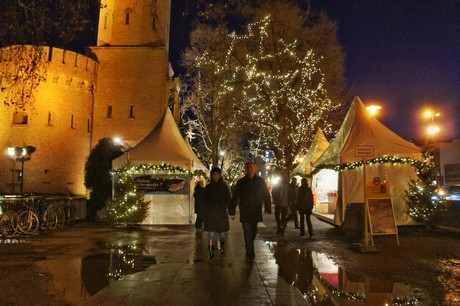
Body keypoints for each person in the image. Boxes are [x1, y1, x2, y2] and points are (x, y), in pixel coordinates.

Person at [229, 161, 271, 262]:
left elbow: (266, 194)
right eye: (248, 167)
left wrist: (267, 207)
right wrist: (232, 210)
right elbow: (235, 197)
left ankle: (249, 246)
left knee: (253, 232)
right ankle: (250, 252)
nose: (250, 169)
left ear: (255, 168)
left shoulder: (260, 181)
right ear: (245, 169)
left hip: (256, 210)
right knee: (247, 231)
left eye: (251, 167)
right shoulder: (241, 182)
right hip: (245, 210)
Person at [203, 168, 231, 260]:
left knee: (222, 234)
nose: (215, 176)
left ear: (219, 175)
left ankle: (222, 247)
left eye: (217, 174)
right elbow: (205, 200)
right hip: (211, 213)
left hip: (221, 212)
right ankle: (211, 252)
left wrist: (231, 211)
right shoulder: (208, 187)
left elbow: (228, 199)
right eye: (213, 174)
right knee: (211, 234)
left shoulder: (223, 187)